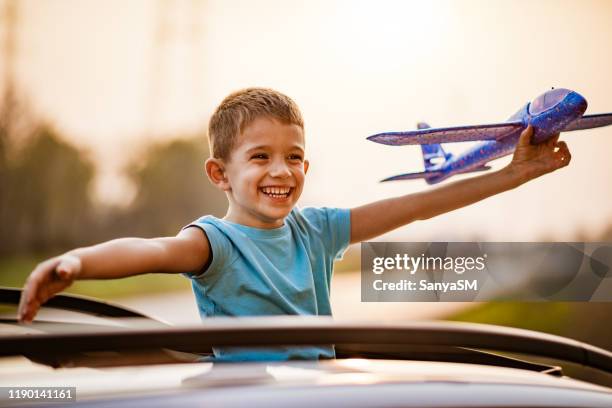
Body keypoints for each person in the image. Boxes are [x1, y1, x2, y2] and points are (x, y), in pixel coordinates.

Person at [18, 87, 570, 360]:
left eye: (294, 156)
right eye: (259, 157)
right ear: (220, 173)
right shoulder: (214, 242)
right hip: (246, 398)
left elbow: (423, 205)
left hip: (318, 395)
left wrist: (515, 174)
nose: (281, 170)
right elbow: (150, 250)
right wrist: (76, 263)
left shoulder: (319, 231)